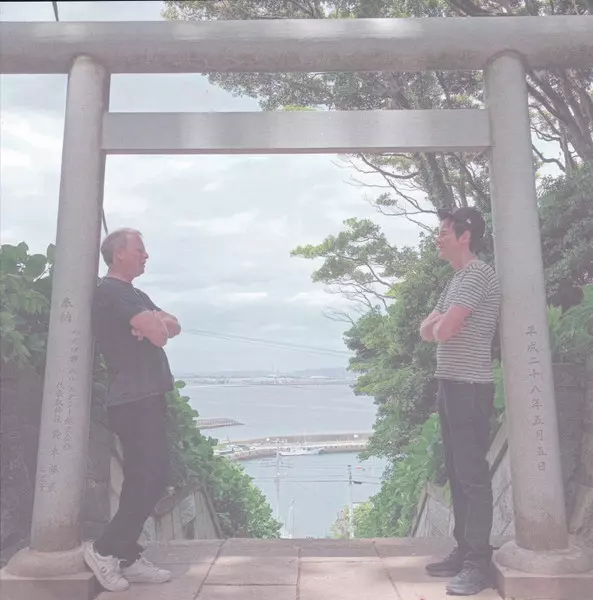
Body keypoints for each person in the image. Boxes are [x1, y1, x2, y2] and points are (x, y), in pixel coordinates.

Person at [84, 228, 181, 592]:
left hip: (146, 397)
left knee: (150, 478)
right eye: (140, 249)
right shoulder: (112, 292)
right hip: (132, 399)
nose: (146, 255)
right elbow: (159, 334)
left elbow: (173, 325)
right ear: (118, 254)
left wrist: (155, 322)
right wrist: (154, 325)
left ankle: (124, 554)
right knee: (149, 478)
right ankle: (105, 550)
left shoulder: (134, 294)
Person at [419, 207, 501, 596]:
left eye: (444, 232)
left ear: (465, 235)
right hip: (449, 385)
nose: (438, 238)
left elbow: (445, 327)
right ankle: (464, 550)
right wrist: (438, 326)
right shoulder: (456, 280)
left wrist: (440, 326)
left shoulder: (478, 274)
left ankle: (478, 562)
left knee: (472, 477)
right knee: (455, 472)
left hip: (470, 387)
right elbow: (428, 330)